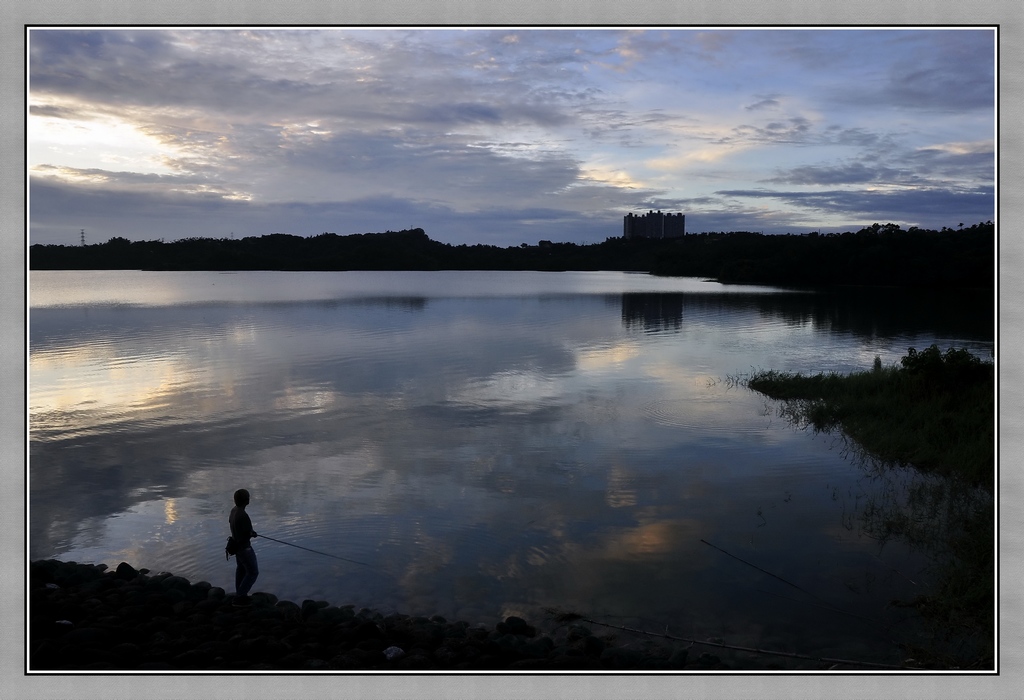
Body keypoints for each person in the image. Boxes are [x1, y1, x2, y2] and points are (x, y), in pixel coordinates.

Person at [228, 488, 259, 606]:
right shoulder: (243, 515)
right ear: (246, 500)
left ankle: (239, 594)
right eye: (248, 497)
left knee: (241, 570)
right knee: (253, 572)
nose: (249, 498)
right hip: (244, 548)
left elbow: (236, 526)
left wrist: (249, 532)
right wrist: (252, 533)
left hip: (236, 547)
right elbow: (248, 533)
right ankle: (240, 597)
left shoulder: (233, 511)